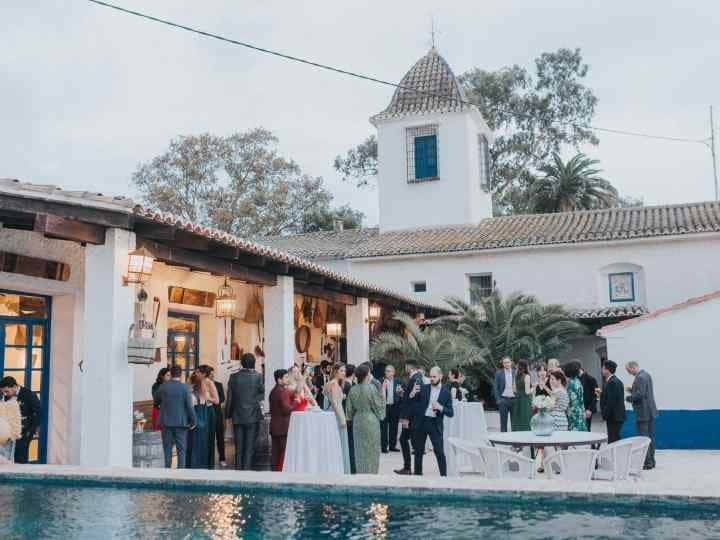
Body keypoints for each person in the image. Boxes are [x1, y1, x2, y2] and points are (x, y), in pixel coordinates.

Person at [410, 366, 454, 476]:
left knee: (439, 452)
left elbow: (451, 412)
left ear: (441, 376)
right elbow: (413, 403)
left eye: (434, 376)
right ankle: (417, 476)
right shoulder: (424, 388)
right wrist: (412, 394)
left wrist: (441, 407)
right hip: (422, 422)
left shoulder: (446, 393)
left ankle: (444, 477)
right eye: (430, 377)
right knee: (418, 452)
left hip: (435, 424)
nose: (432, 379)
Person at [225, 353, 264, 470]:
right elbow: (262, 393)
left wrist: (227, 416)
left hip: (237, 415)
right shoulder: (258, 376)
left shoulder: (233, 377)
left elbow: (230, 398)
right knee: (249, 448)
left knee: (239, 447)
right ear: (254, 363)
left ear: (241, 363)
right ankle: (246, 472)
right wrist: (254, 401)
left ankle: (238, 471)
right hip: (252, 415)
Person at [347, 363, 386, 474]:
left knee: (359, 450)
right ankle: (371, 473)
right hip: (371, 420)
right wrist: (383, 392)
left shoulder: (352, 390)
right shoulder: (372, 388)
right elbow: (379, 406)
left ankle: (360, 473)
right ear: (367, 375)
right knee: (372, 449)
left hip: (358, 421)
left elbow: (349, 412)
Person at [157, 365, 196, 469]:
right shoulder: (185, 388)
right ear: (181, 374)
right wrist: (194, 421)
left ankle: (167, 470)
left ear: (171, 374)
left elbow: (156, 401)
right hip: (181, 422)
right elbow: (189, 406)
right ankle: (180, 472)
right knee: (181, 449)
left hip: (166, 421)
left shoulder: (163, 386)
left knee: (167, 449)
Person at [625, 361, 658, 469]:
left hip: (643, 412)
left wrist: (628, 398)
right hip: (649, 411)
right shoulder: (646, 375)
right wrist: (632, 390)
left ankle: (647, 463)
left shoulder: (639, 378)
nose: (629, 373)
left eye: (629, 371)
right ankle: (651, 461)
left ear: (633, 367)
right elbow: (643, 392)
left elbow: (640, 395)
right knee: (649, 437)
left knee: (644, 438)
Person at [0, 376, 41, 464]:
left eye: (6, 391)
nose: (5, 394)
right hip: (9, 433)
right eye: (3, 392)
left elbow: (39, 413)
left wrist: (31, 431)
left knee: (20, 458)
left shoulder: (29, 394)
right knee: (6, 457)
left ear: (15, 387)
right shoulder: (6, 396)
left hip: (24, 433)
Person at [394, 360, 424, 475]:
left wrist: (406, 418)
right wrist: (403, 393)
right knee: (407, 440)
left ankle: (410, 468)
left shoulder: (416, 378)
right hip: (412, 416)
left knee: (409, 441)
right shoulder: (416, 377)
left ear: (409, 367)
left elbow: (413, 401)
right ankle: (409, 468)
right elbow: (410, 397)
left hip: (411, 417)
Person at [323, 363, 351, 474]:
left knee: (335, 442)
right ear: (335, 371)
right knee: (339, 442)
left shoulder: (329, 383)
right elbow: (334, 402)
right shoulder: (334, 384)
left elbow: (329, 399)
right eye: (341, 371)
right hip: (336, 415)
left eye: (344, 371)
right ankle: (340, 470)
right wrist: (342, 418)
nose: (344, 373)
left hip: (332, 414)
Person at [195, 366, 220, 469]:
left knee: (209, 438)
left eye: (198, 372)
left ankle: (209, 464)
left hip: (209, 411)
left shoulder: (209, 382)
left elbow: (217, 400)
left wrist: (207, 397)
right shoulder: (196, 383)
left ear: (203, 374)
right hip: (199, 411)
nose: (196, 374)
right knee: (201, 439)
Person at [269, 369, 293, 472]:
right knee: (282, 453)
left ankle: (274, 473)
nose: (288, 379)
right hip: (283, 427)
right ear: (279, 380)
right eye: (286, 377)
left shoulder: (273, 390)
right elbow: (286, 409)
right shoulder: (282, 391)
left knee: (275, 453)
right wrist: (296, 403)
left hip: (275, 426)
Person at [186, 373, 212, 468]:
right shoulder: (204, 395)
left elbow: (190, 411)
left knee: (193, 447)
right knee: (202, 447)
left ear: (193, 383)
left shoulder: (191, 396)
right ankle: (202, 466)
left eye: (189, 382)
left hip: (194, 424)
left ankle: (192, 467)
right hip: (204, 424)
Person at [599, 360, 625, 443]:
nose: (602, 371)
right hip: (615, 416)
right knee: (614, 437)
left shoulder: (612, 382)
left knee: (613, 439)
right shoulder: (614, 381)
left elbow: (611, 401)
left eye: (603, 369)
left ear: (607, 370)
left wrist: (605, 414)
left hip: (614, 416)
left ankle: (614, 455)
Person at [206, 366, 227, 467]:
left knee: (220, 437)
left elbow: (222, 398)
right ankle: (209, 459)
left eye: (213, 373)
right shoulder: (203, 385)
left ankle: (222, 458)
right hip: (207, 414)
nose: (212, 375)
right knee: (209, 438)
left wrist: (212, 399)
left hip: (217, 414)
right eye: (211, 373)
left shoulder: (219, 385)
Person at [380, 364, 402, 453]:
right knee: (384, 427)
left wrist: (400, 392)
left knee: (394, 427)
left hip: (394, 407)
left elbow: (403, 393)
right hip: (385, 406)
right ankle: (384, 447)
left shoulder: (398, 381)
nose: (388, 373)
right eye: (386, 371)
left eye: (390, 371)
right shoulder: (381, 381)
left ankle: (392, 446)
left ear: (394, 372)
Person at [563, 361, 587, 432]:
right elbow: (581, 399)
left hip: (572, 411)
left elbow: (568, 399)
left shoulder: (570, 383)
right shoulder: (577, 381)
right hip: (579, 410)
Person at [494, 357, 515, 432]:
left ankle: (515, 439)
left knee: (514, 422)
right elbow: (496, 387)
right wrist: (498, 400)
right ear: (503, 364)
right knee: (503, 422)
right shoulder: (499, 373)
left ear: (511, 363)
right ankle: (503, 437)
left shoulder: (515, 372)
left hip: (514, 400)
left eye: (508, 362)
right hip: (503, 400)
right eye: (505, 362)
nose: (507, 364)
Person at [343, 364, 357, 473]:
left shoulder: (344, 384)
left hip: (345, 417)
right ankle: (352, 468)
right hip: (349, 419)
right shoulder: (349, 386)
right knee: (350, 444)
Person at [511, 360, 533, 431]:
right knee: (525, 418)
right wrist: (534, 388)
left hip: (517, 399)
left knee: (517, 418)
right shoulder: (527, 376)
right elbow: (527, 392)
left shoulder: (516, 376)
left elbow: (514, 389)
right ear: (526, 367)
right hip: (525, 400)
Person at [579, 366, 598, 431]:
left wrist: (590, 409)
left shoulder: (591, 379)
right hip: (579, 409)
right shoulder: (576, 379)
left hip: (587, 408)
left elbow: (596, 395)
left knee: (586, 429)